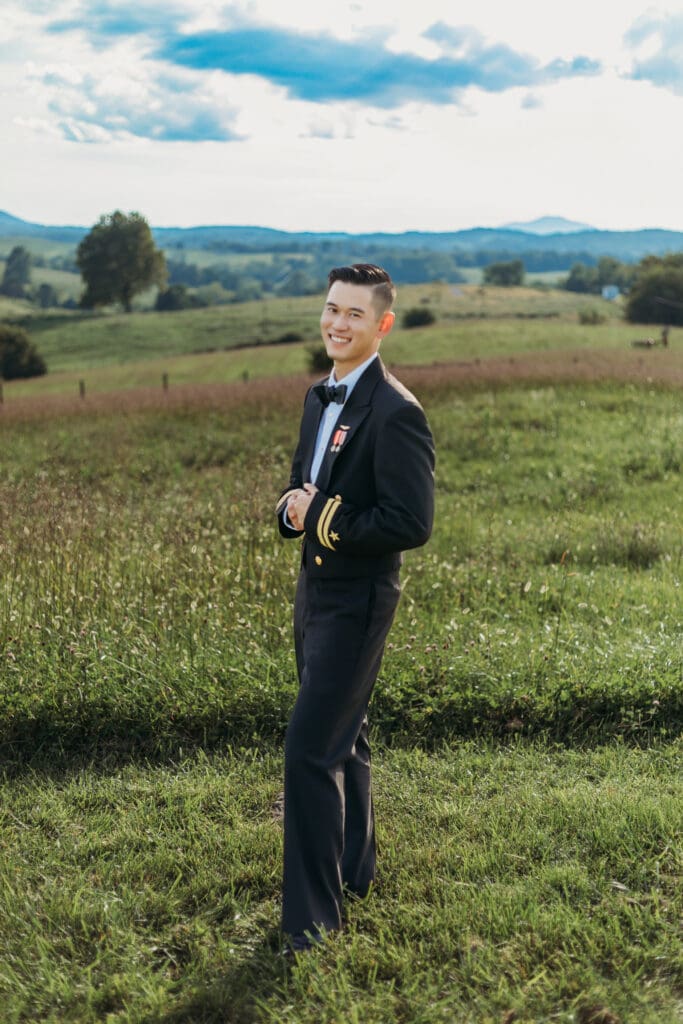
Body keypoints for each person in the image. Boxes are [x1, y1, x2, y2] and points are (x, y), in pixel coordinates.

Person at [275, 263, 435, 952]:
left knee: (309, 750)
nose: (337, 324)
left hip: (360, 600)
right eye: (331, 310)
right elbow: (302, 483)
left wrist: (320, 518)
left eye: (354, 315)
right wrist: (289, 509)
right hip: (314, 592)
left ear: (382, 325)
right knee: (346, 734)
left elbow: (410, 521)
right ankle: (354, 870)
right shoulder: (319, 395)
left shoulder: (396, 411)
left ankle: (311, 922)